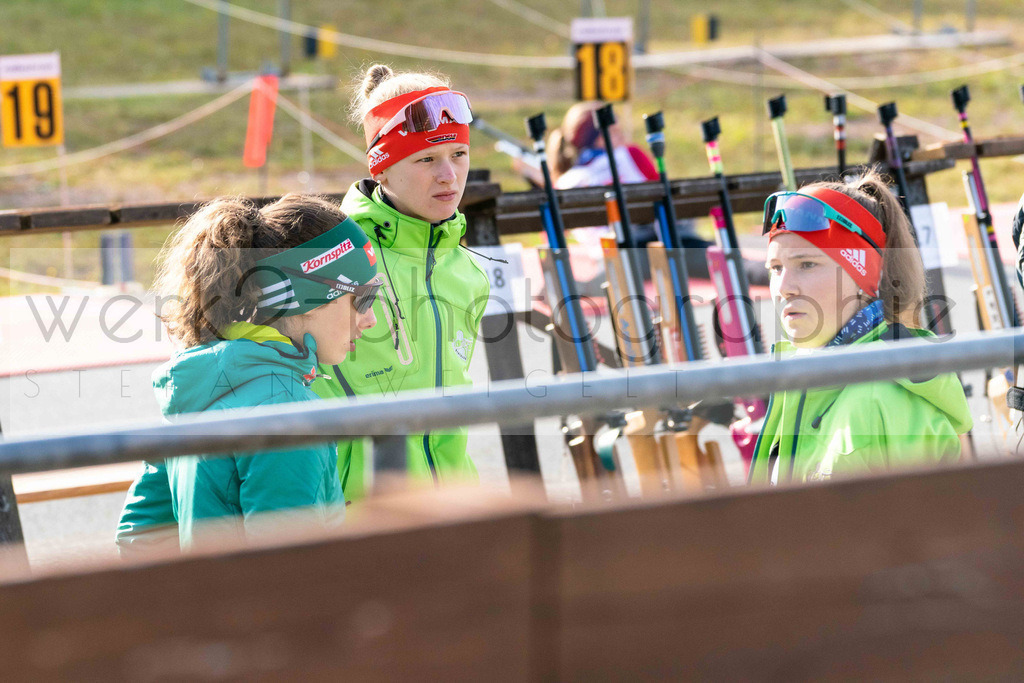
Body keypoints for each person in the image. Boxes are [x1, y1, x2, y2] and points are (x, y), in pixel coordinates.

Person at [116, 194, 380, 552]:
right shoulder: (289, 411)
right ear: (306, 296)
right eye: (363, 298)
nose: (371, 319)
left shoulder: (201, 384)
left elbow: (139, 540)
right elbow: (288, 576)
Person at [311, 64, 489, 501]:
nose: (448, 176)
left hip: (452, 508)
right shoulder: (335, 256)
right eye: (426, 159)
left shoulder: (468, 271)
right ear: (382, 169)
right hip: (357, 515)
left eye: (458, 155)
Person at [748, 171, 972, 485]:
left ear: (863, 277)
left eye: (807, 264)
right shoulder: (806, 378)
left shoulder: (877, 401)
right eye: (776, 268)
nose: (783, 287)